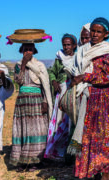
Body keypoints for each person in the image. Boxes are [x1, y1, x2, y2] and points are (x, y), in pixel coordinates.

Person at [69, 17, 109, 180]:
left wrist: (85, 77)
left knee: (103, 138)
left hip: (104, 98)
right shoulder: (85, 50)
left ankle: (105, 178)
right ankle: (94, 174)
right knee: (89, 138)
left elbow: (108, 77)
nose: (95, 34)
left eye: (99, 32)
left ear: (106, 34)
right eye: (93, 31)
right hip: (90, 98)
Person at [10, 43, 52, 172]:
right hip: (23, 101)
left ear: (34, 51)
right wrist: (23, 64)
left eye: (30, 49)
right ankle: (22, 161)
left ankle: (36, 161)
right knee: (23, 129)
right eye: (25, 49)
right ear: (21, 50)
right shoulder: (18, 65)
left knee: (37, 130)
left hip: (37, 100)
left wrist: (45, 101)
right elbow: (18, 80)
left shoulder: (39, 65)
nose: (27, 51)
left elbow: (45, 85)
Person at [45, 34, 77, 162]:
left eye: (69, 45)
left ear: (74, 45)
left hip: (73, 92)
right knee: (59, 120)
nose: (66, 47)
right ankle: (55, 151)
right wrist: (53, 81)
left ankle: (70, 153)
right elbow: (52, 72)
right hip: (61, 91)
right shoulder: (59, 58)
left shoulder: (78, 57)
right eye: (64, 45)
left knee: (70, 122)